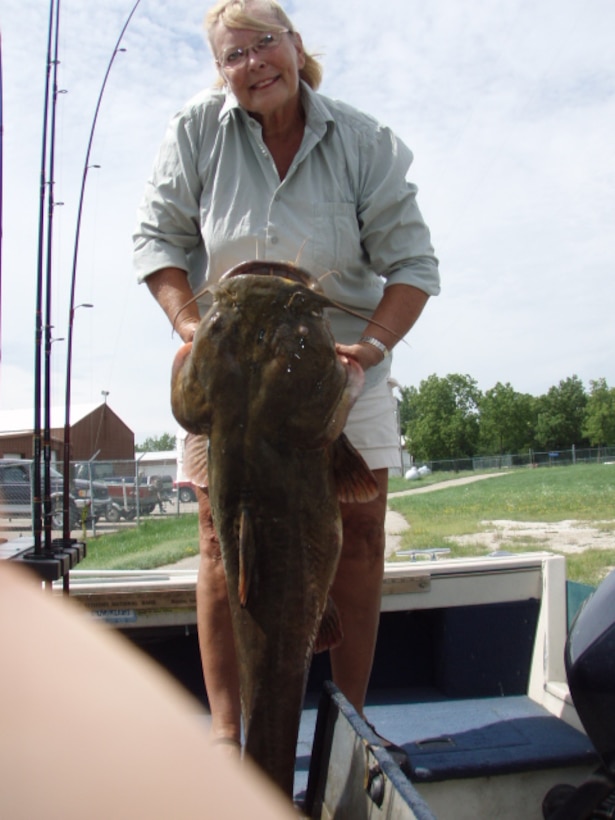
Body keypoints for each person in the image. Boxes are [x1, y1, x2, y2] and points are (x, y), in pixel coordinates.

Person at [133, 0, 440, 755]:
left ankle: (351, 725)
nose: (252, 64)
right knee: (217, 541)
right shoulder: (194, 130)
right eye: (231, 55)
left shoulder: (363, 140)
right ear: (218, 70)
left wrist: (364, 356)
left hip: (336, 364)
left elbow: (413, 269)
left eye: (263, 44)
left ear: (297, 47)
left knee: (361, 533)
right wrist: (188, 329)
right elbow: (158, 241)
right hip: (230, 364)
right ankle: (227, 736)